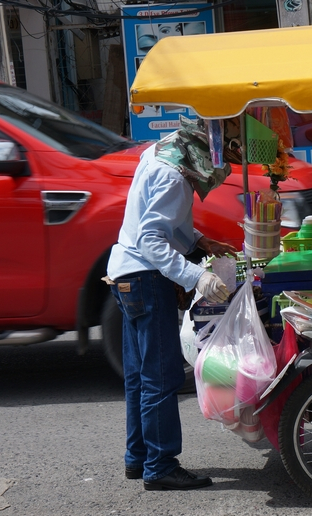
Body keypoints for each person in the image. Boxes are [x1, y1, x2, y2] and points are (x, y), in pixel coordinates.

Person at [106, 116, 240, 491]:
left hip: (125, 274)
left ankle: (139, 458)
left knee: (140, 377)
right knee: (161, 377)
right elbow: (152, 239)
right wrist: (198, 276)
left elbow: (161, 220)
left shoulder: (156, 156)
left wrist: (200, 243)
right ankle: (161, 464)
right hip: (146, 277)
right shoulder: (174, 177)